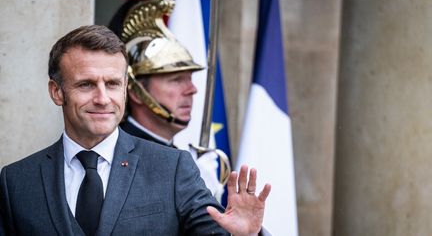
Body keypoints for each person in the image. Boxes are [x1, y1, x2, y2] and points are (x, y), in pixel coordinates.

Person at [0, 25, 270, 235]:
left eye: (113, 84)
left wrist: (244, 235)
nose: (103, 98)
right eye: (86, 84)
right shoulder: (16, 181)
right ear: (57, 92)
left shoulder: (172, 168)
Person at [109, 0, 229, 200]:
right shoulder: (115, 155)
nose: (192, 89)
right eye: (176, 80)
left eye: (189, 78)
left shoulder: (176, 155)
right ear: (136, 91)